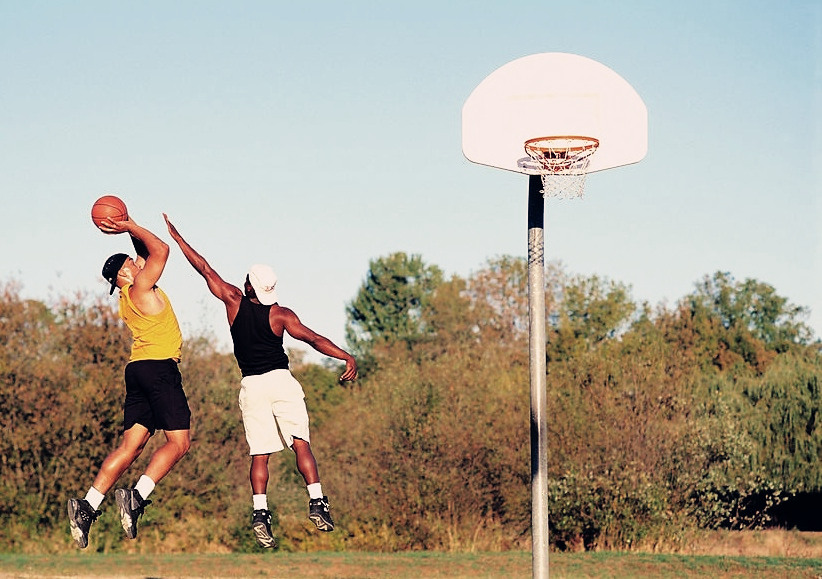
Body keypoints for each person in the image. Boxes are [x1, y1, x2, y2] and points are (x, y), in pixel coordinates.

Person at [163, 214, 357, 549]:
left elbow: (205, 269)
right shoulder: (281, 314)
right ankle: (317, 503)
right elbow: (313, 338)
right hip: (281, 382)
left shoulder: (233, 302)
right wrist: (345, 356)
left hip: (252, 386)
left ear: (248, 285)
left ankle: (260, 513)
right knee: (301, 443)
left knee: (260, 455)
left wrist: (178, 239)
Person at [67, 214, 191, 549]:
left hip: (136, 371)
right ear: (126, 273)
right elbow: (161, 250)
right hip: (159, 370)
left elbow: (143, 254)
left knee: (130, 446)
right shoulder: (140, 286)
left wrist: (125, 229)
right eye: (133, 264)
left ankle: (88, 505)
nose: (140, 264)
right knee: (179, 443)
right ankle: (137, 496)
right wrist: (132, 223)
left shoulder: (126, 294)